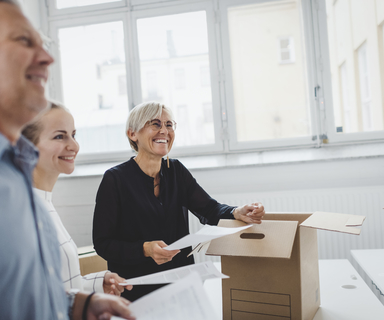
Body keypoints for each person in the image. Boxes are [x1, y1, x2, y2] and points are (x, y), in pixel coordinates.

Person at [0, 0, 134, 319]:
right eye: (23, 40)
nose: (47, 59)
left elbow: (3, 292)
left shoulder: (14, 168)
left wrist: (75, 305)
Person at [92, 101, 266, 301]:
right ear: (133, 134)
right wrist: (145, 249)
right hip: (136, 288)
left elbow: (209, 209)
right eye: (155, 124)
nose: (164, 131)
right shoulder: (115, 179)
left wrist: (237, 212)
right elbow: (103, 243)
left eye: (169, 125)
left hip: (181, 282)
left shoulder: (176, 171)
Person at [22, 102, 133, 296]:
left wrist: (97, 283)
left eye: (73, 135)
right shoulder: (23, 212)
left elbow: (59, 284)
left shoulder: (45, 203)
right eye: (59, 136)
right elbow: (33, 299)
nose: (74, 146)